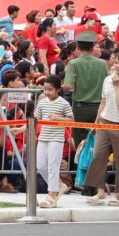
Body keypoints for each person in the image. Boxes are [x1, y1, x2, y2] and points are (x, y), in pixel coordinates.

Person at [83, 50, 119, 206]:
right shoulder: (107, 79)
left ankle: (118, 195)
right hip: (104, 122)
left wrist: (116, 86)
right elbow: (103, 102)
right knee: (98, 155)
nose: (117, 66)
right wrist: (96, 121)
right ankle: (100, 191)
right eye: (115, 63)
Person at [62, 30, 106, 192]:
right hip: (98, 109)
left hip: (80, 108)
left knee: (81, 145)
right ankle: (93, 182)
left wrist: (55, 86)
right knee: (96, 145)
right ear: (93, 46)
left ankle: (82, 181)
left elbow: (69, 85)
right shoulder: (101, 64)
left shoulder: (74, 64)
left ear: (78, 47)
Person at [33, 74, 74, 208]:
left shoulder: (64, 103)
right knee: (41, 166)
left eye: (50, 89)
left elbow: (71, 120)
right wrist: (21, 129)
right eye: (45, 89)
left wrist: (58, 118)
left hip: (56, 139)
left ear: (57, 89)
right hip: (43, 138)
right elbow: (35, 119)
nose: (47, 92)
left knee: (52, 166)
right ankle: (59, 185)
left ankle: (51, 195)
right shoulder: (42, 102)